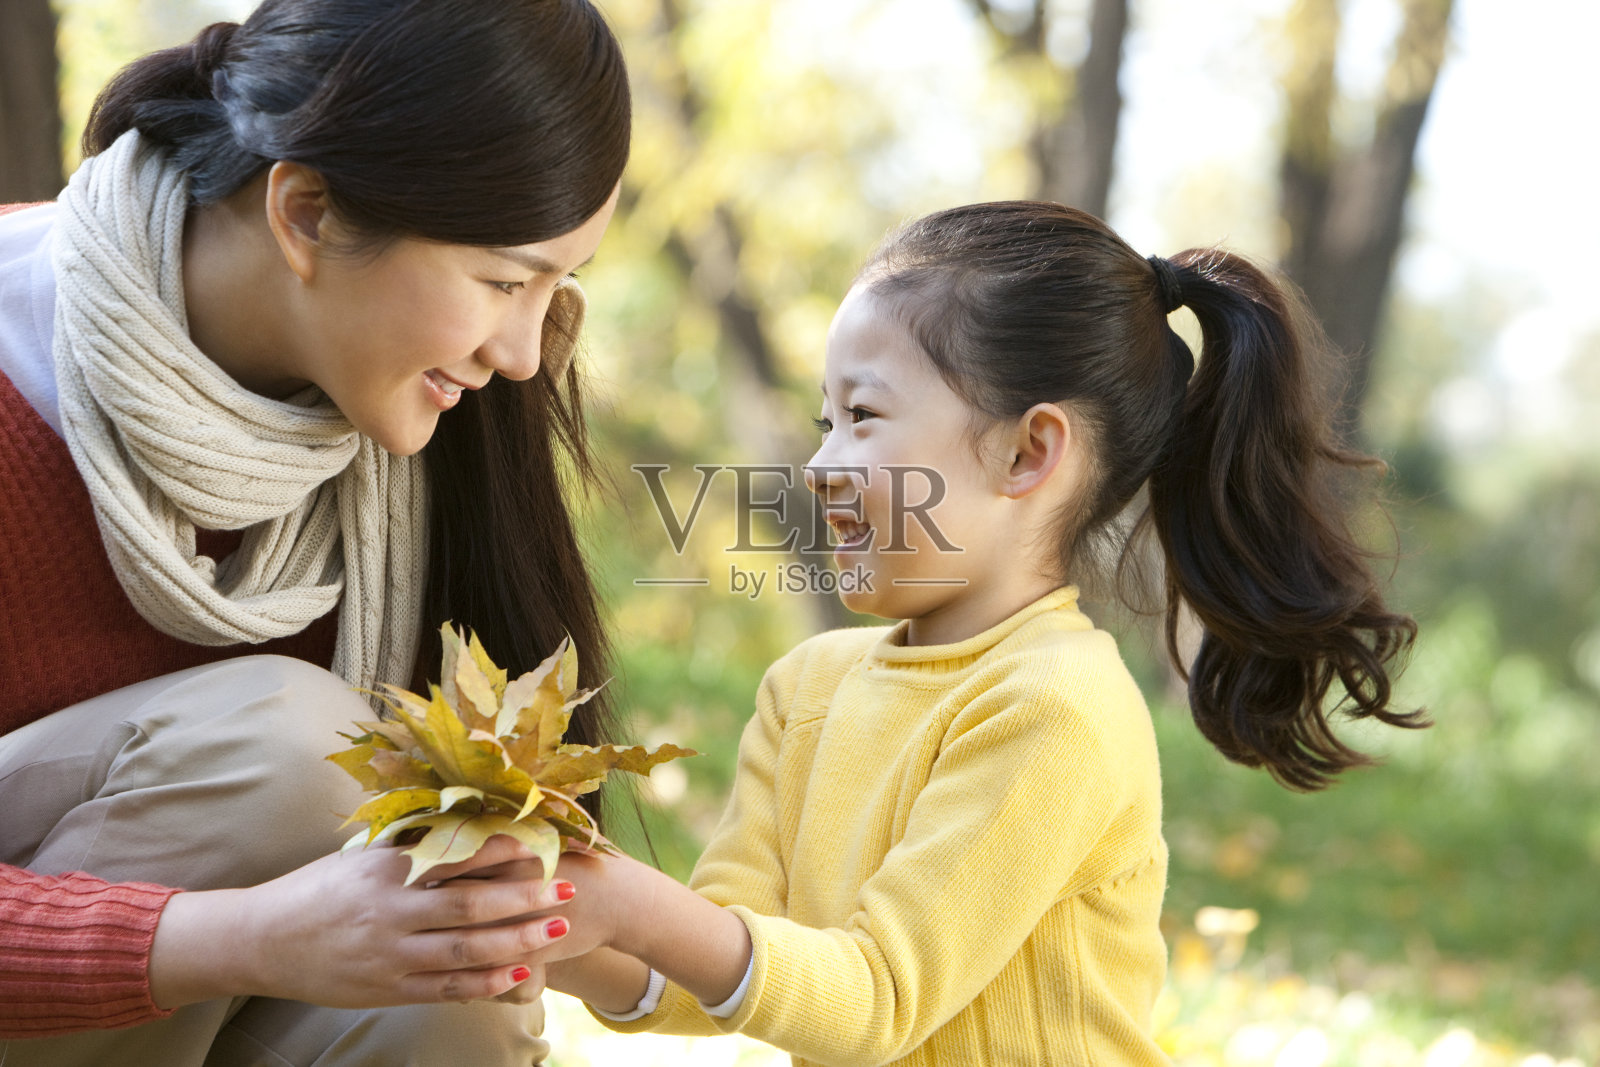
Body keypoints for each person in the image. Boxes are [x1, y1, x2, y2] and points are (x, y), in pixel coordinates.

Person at [513, 201, 1424, 1065]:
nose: (822, 463)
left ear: (1030, 452)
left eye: (862, 417)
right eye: (824, 422)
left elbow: (877, 997)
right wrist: (544, 915)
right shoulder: (807, 689)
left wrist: (633, 904)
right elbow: (706, 962)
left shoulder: (1054, 707)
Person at [0, 0, 631, 1062]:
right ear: (304, 213)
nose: (524, 350)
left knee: (442, 967)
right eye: (505, 280)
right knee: (289, 745)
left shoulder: (415, 428)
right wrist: (240, 937)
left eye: (557, 285)